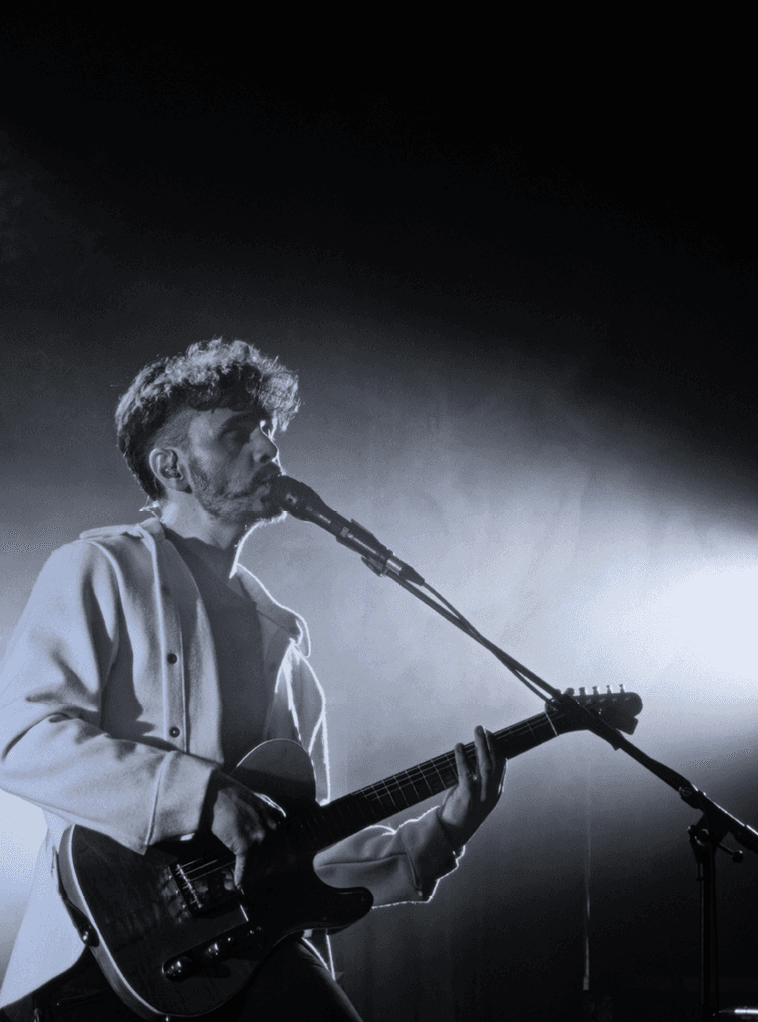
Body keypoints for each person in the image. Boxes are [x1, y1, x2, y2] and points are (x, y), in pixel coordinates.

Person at [0, 338, 506, 1021]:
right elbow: (23, 738)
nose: (269, 450)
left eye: (267, 433)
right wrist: (202, 796)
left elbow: (300, 848)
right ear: (171, 464)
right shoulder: (98, 568)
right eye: (238, 434)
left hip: (244, 952)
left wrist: (440, 833)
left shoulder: (284, 639)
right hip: (104, 955)